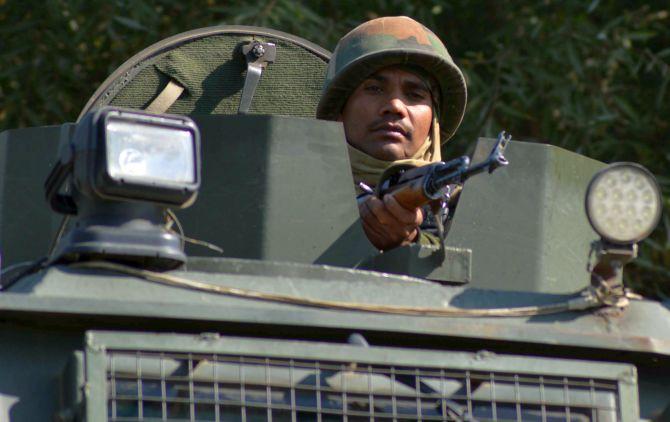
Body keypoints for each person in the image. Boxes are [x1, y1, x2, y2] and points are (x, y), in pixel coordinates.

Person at [316, 16, 467, 251]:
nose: (395, 106)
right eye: (374, 89)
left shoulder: (467, 209)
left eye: (415, 94)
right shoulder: (292, 192)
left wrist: (411, 242)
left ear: (433, 122)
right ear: (339, 111)